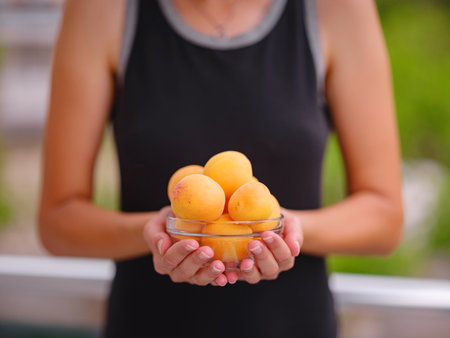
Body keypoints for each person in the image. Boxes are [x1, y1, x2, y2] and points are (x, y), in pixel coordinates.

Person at [38, 0, 403, 337]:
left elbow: (384, 218)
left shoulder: (336, 8)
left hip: (294, 325)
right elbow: (58, 222)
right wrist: (156, 233)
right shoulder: (103, 9)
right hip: (149, 323)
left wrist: (285, 230)